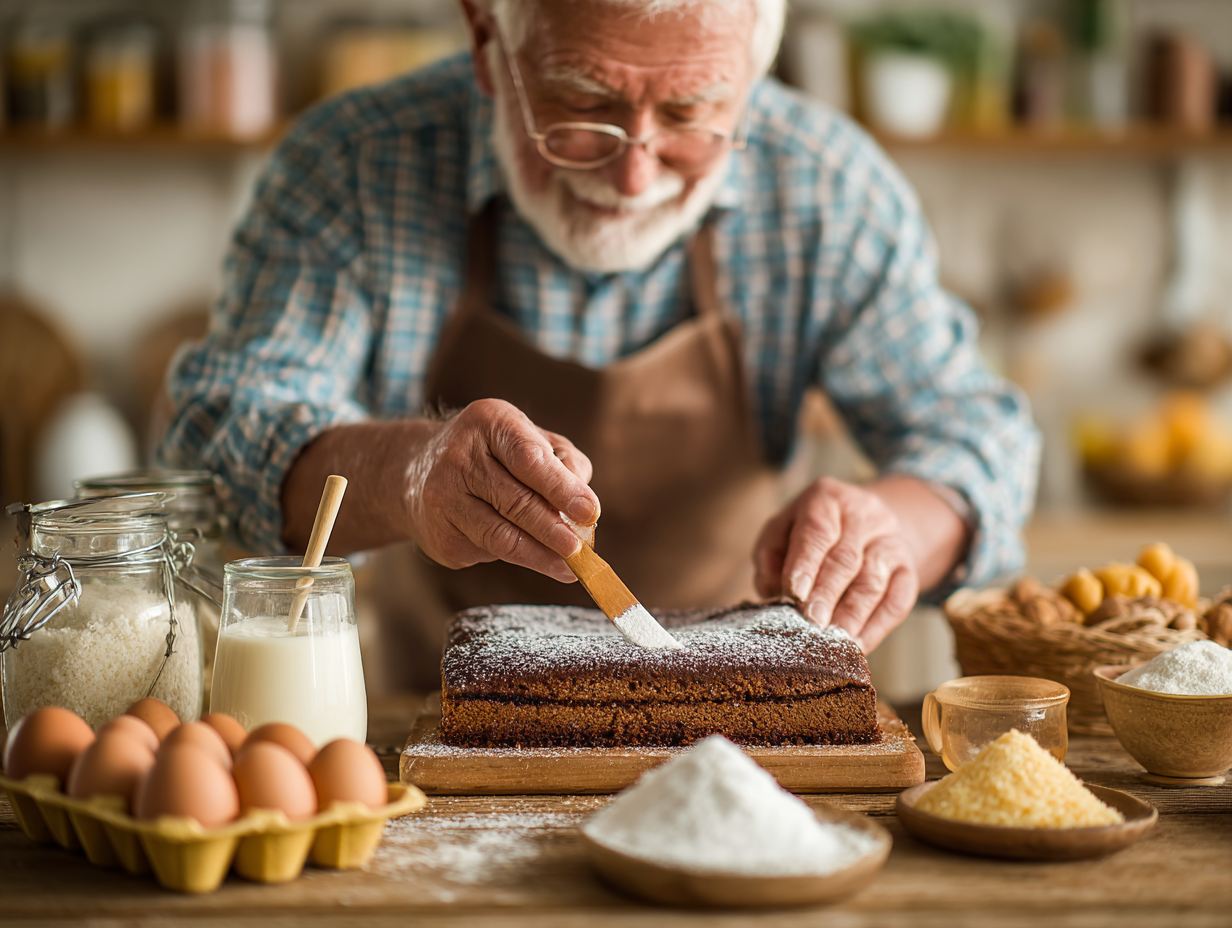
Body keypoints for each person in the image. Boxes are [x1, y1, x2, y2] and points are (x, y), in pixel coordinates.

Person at [161, 0, 1039, 687]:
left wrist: (895, 527)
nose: (633, 176)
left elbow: (978, 435)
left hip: (740, 744)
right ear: (484, 35)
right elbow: (216, 441)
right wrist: (409, 473)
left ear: (755, 67)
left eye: (693, 114)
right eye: (583, 104)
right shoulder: (351, 166)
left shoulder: (829, 187)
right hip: (432, 728)